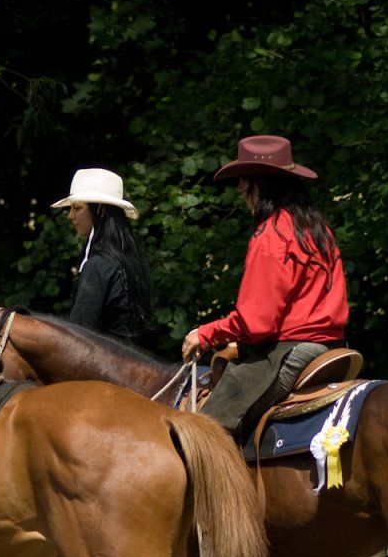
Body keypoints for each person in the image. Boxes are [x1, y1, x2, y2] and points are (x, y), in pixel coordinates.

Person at [181, 135, 348, 439]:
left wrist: (206, 333)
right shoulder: (319, 228)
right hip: (333, 349)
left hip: (289, 352)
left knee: (201, 433)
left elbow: (258, 323)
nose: (240, 190)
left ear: (258, 184)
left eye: (243, 182)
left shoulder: (271, 234)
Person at [50, 168, 152, 344]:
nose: (70, 216)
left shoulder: (99, 265)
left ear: (101, 211)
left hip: (105, 367)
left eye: (77, 208)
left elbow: (78, 335)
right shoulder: (128, 260)